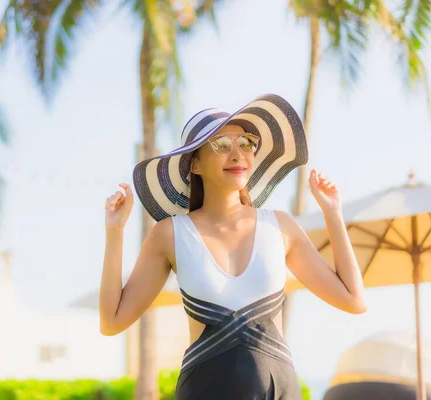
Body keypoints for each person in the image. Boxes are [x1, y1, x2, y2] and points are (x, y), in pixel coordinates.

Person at [99, 94, 366, 399]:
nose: (238, 154)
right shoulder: (170, 234)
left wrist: (333, 213)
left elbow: (353, 299)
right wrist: (115, 231)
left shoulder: (279, 226)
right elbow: (112, 322)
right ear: (194, 164)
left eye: (246, 143)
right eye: (222, 145)